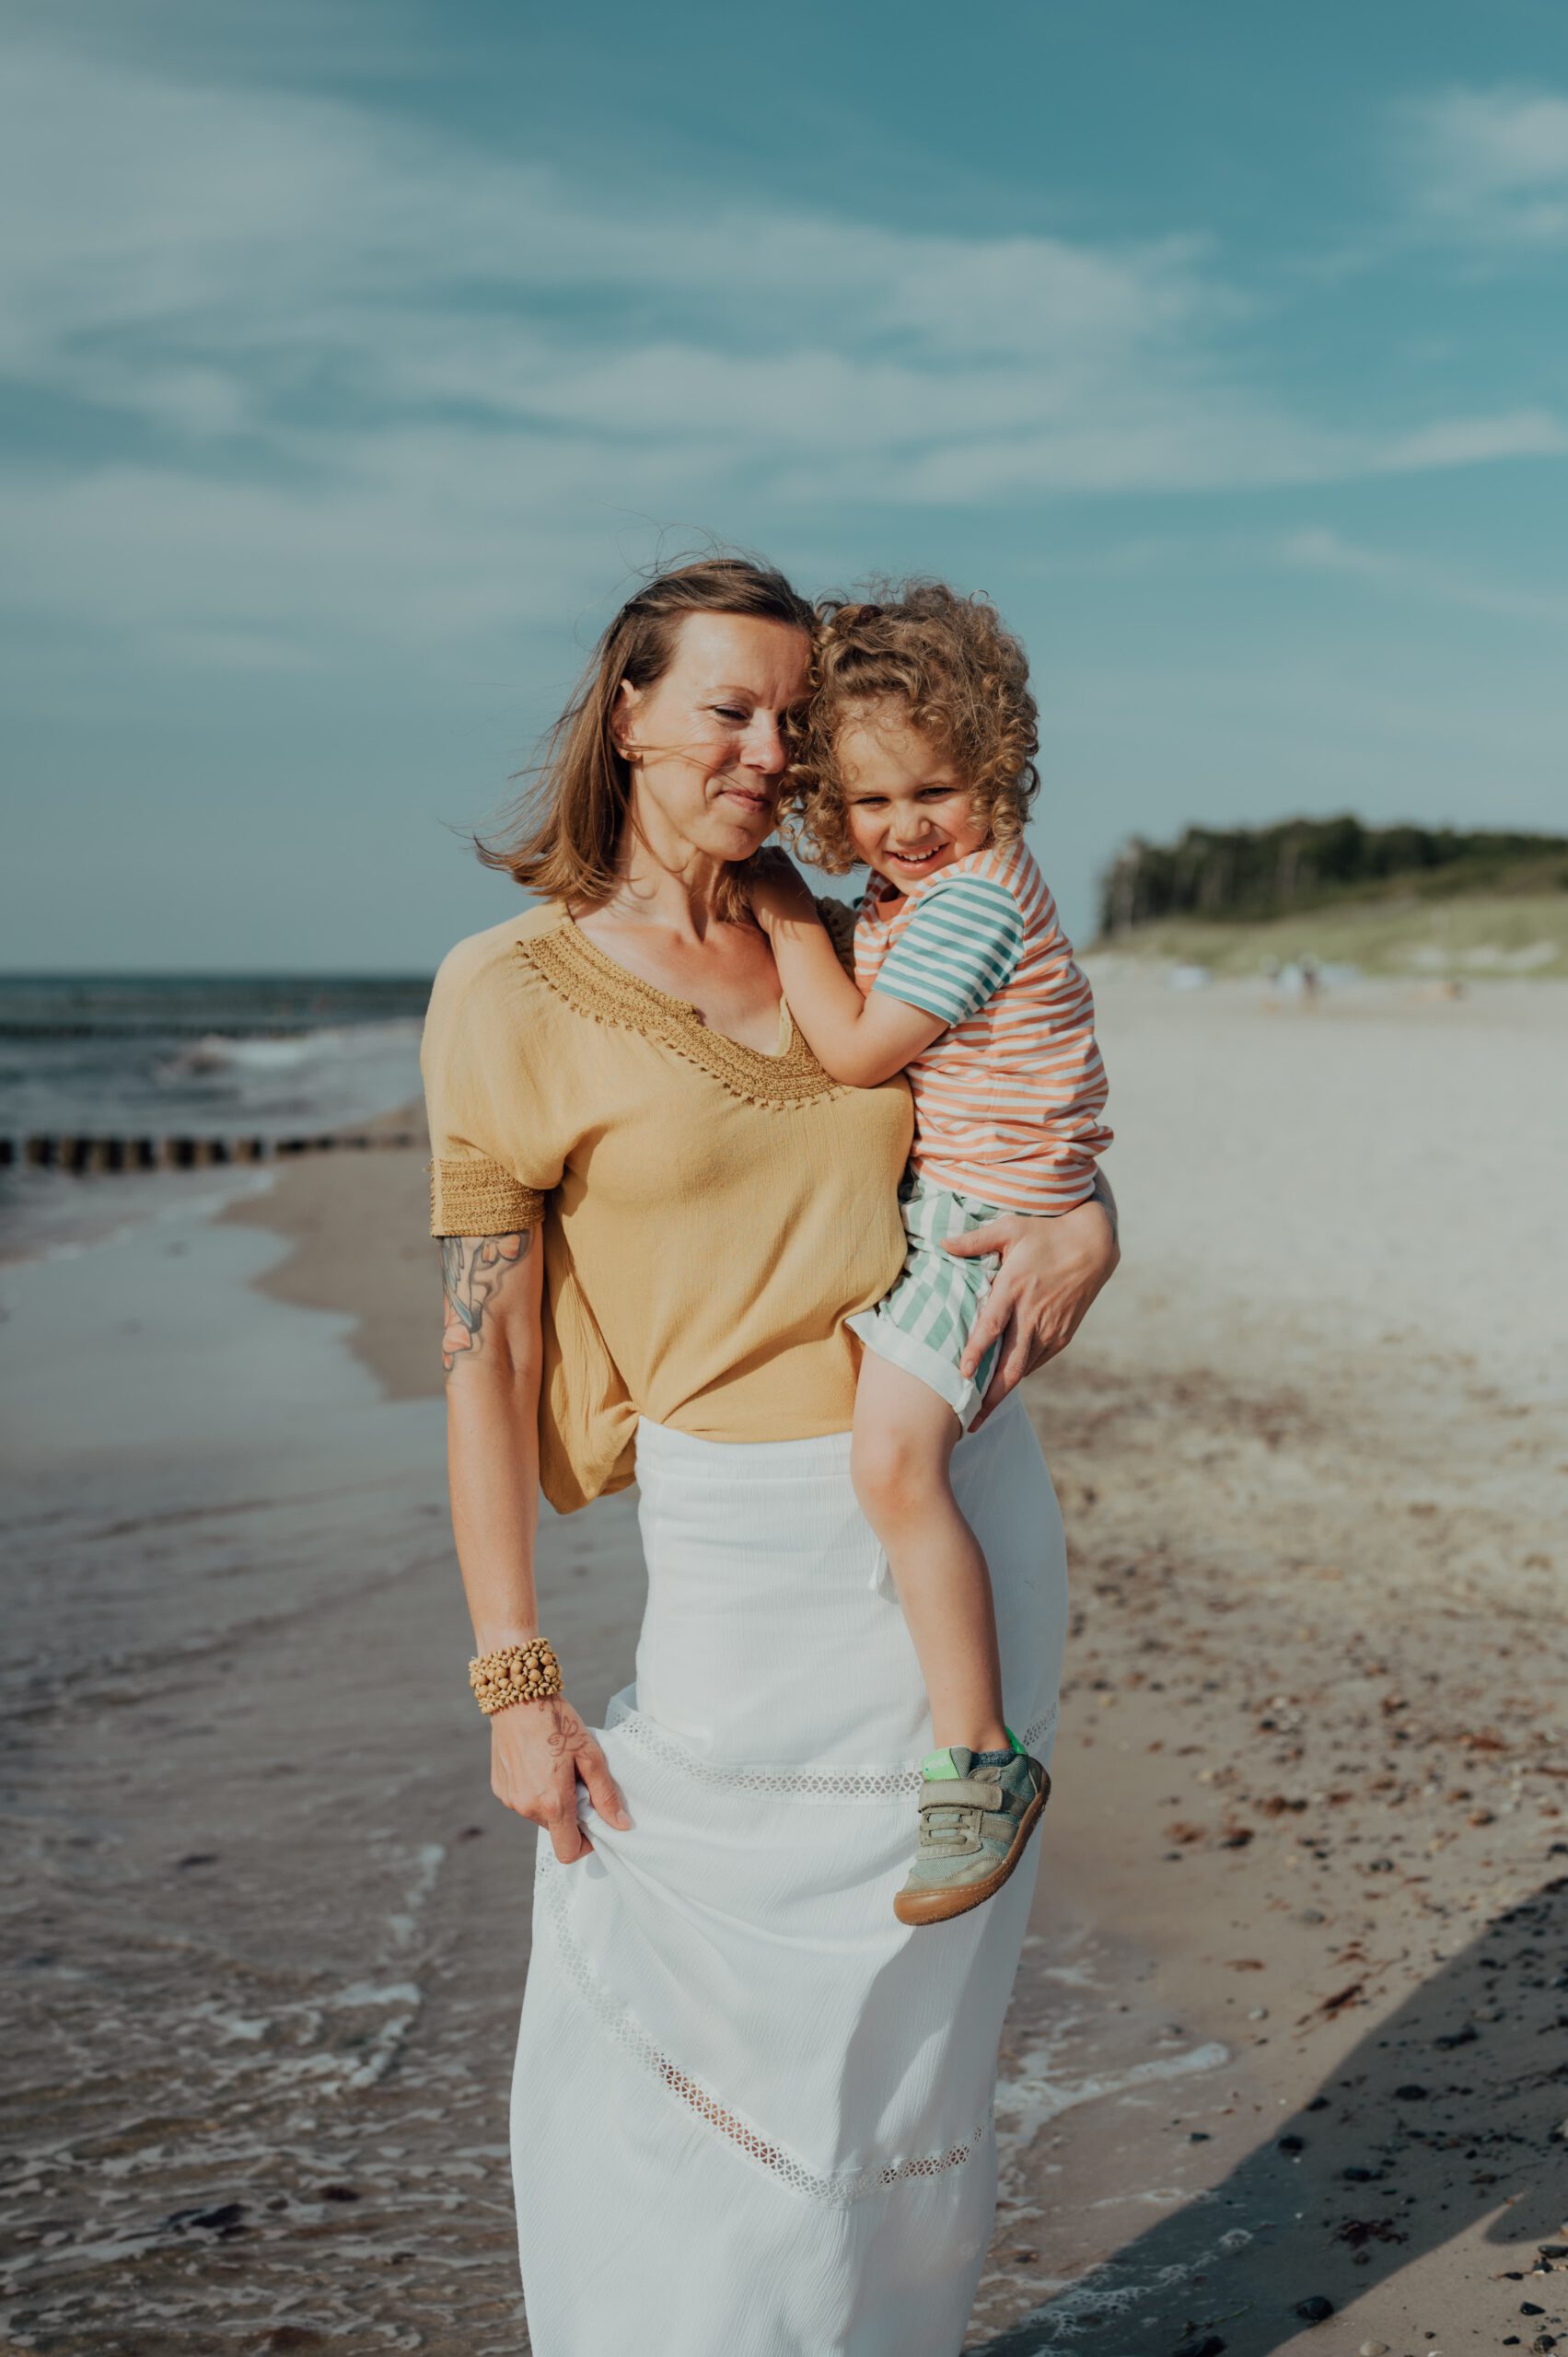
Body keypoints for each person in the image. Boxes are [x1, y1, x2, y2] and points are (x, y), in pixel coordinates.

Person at [420, 554, 1119, 2355]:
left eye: (793, 716)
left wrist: (1090, 1216)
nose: (764, 744)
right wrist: (517, 1674)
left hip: (957, 1513)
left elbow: (1003, 1114)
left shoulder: (863, 910)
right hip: (741, 1554)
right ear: (628, 710)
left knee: (900, 2058)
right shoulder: (507, 991)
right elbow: (485, 1348)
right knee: (666, 1999)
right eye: (725, 704)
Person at [749, 583, 1110, 1931]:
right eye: (866, 806)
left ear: (997, 770)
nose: (900, 830)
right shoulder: (931, 892)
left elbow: (853, 1050)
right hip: (994, 1183)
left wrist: (787, 906)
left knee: (893, 1461)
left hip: (984, 1209)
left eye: (935, 792)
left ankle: (980, 1762)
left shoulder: (963, 905)